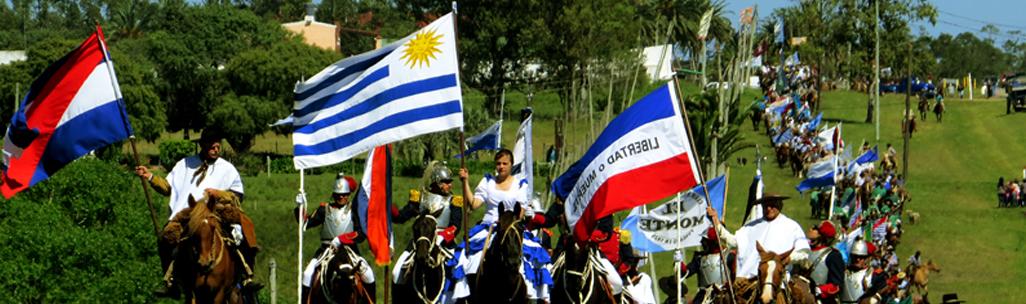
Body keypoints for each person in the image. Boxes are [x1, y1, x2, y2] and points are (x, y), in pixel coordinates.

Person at [135, 128, 260, 297]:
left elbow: (238, 194)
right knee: (166, 236)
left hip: (217, 211)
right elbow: (167, 188)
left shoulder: (227, 168)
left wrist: (220, 193)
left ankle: (247, 276)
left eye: (218, 146)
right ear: (202, 145)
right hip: (188, 213)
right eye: (212, 146)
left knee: (246, 226)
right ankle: (170, 282)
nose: (216, 149)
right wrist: (150, 177)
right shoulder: (184, 164)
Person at [451, 148, 551, 301]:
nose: (501, 167)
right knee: (468, 257)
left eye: (505, 163)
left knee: (534, 257)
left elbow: (521, 212)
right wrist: (465, 182)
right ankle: (467, 293)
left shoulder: (520, 185)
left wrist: (508, 223)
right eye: (498, 163)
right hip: (488, 226)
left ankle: (534, 293)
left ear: (511, 165)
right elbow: (474, 203)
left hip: (512, 228)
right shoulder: (488, 182)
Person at [294, 174, 376, 302]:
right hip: (327, 250)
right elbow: (306, 224)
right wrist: (300, 207)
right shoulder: (324, 209)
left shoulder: (354, 211)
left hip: (349, 250)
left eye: (344, 194)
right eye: (338, 194)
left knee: (369, 274)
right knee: (307, 274)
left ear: (349, 194)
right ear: (333, 195)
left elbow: (361, 234)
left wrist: (341, 239)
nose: (341, 197)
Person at [706, 194, 810, 283]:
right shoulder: (750, 227)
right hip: (750, 280)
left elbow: (803, 253)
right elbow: (733, 242)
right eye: (766, 205)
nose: (769, 208)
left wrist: (789, 258)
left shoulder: (792, 227)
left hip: (778, 282)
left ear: (780, 205)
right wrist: (717, 223)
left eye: (772, 205)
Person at [806, 220, 845, 304]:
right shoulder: (806, 251)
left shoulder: (833, 256)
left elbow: (836, 285)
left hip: (823, 300)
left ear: (822, 237)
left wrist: (820, 289)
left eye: (816, 230)